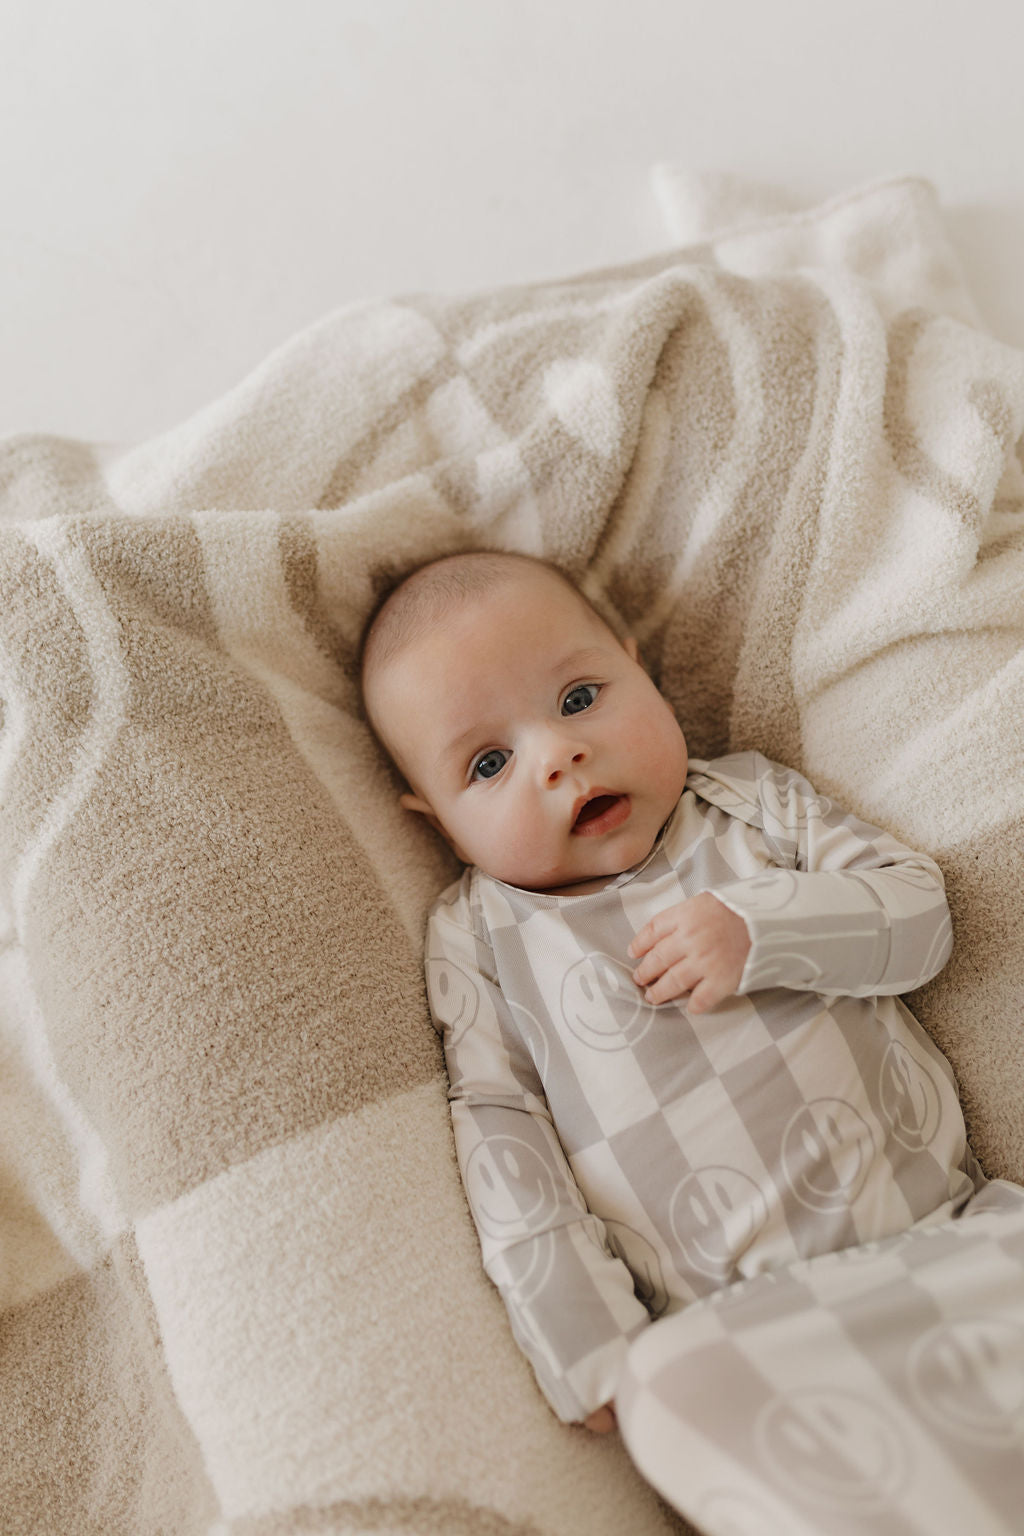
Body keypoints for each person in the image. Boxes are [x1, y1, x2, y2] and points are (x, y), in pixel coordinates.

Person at [360, 549, 982, 1435]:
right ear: (439, 822)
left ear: (635, 665)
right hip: (743, 1353)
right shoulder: (479, 940)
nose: (557, 754)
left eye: (579, 698)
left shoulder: (748, 806)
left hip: (950, 1243)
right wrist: (589, 1349)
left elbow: (919, 913)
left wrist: (764, 927)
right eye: (489, 764)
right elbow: (502, 1137)